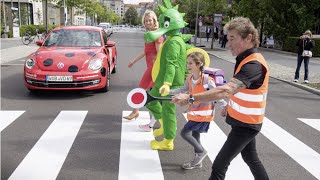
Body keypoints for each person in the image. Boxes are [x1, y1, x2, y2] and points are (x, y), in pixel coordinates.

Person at [172, 17, 269, 180]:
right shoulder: (244, 60)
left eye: (232, 38)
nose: (228, 43)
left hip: (247, 125)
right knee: (251, 158)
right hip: (244, 121)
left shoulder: (254, 65)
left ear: (249, 38)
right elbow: (242, 90)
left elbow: (226, 90)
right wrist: (229, 107)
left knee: (219, 166)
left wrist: (190, 98)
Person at [170, 51, 227, 170]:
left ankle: (201, 152)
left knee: (184, 133)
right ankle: (198, 161)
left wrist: (225, 106)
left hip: (204, 114)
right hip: (194, 112)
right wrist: (169, 91)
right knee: (195, 136)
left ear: (199, 64)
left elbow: (217, 94)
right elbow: (183, 89)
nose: (187, 66)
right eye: (187, 63)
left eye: (190, 63)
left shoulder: (207, 80)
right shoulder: (190, 77)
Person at [123, 10, 164, 132]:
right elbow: (145, 51)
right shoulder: (149, 34)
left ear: (154, 21)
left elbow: (160, 54)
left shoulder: (157, 35)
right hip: (150, 67)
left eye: (150, 20)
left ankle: (135, 112)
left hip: (154, 69)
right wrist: (133, 61)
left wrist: (157, 69)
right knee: (154, 95)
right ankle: (159, 120)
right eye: (146, 21)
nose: (148, 23)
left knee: (142, 89)